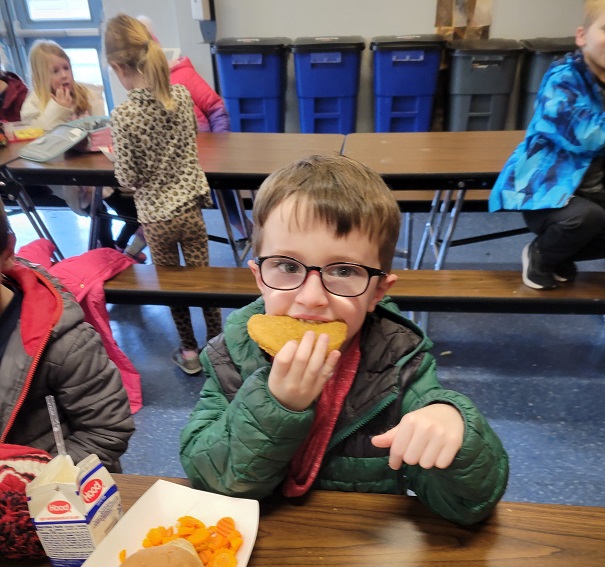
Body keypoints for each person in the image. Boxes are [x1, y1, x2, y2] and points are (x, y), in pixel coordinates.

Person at [180, 154, 509, 526]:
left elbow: (469, 505)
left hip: (361, 553)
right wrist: (275, 405)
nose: (311, 297)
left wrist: (456, 433)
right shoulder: (232, 356)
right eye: (287, 267)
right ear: (259, 276)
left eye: (344, 270)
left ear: (377, 292)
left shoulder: (400, 366)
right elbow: (209, 482)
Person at [104, 14, 221, 375]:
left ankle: (188, 351)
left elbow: (127, 177)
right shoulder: (182, 96)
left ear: (117, 67)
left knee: (173, 287)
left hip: (156, 219)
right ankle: (217, 347)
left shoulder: (123, 116)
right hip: (191, 208)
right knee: (203, 279)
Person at [0, 198, 135, 471]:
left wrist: (29, 483)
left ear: (7, 251)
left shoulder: (66, 343)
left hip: (46, 495)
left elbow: (105, 432)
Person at [490, 0, 605, 290]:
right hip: (549, 193)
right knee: (586, 218)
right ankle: (541, 254)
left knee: (593, 218)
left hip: (595, 190)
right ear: (582, 36)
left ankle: (560, 254)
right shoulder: (563, 78)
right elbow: (585, 135)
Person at [21, 40, 139, 253]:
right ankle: (108, 252)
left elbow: (100, 129)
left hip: (98, 172)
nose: (64, 75)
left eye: (66, 68)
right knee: (101, 218)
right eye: (55, 71)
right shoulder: (35, 105)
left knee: (134, 214)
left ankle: (119, 249)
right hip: (71, 180)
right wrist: (58, 109)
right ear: (41, 77)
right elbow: (41, 139)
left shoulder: (85, 94)